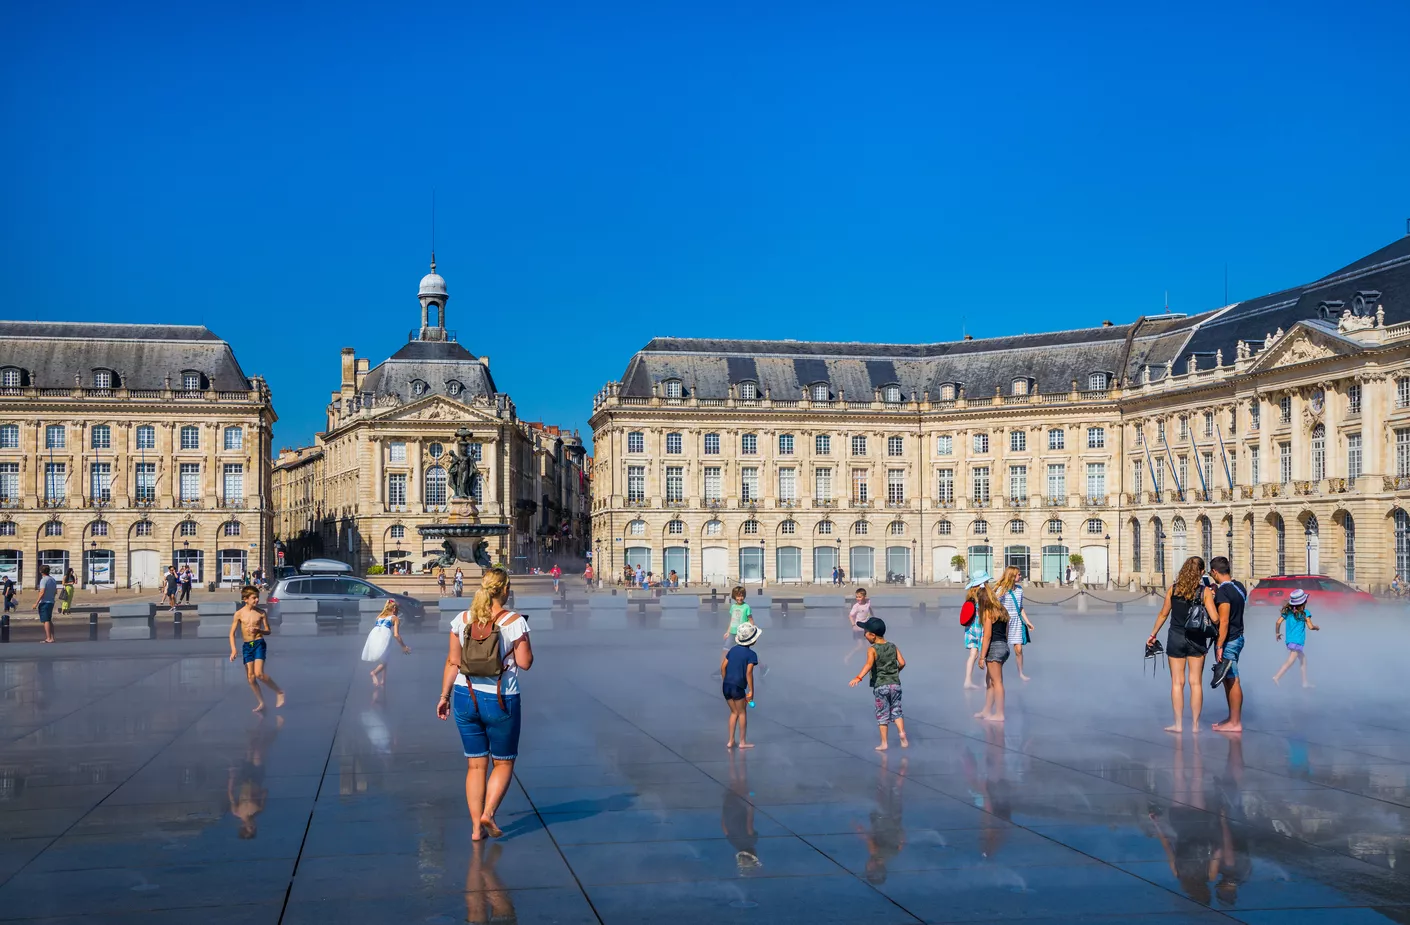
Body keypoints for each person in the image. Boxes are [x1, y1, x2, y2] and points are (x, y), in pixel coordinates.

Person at [438, 567, 533, 840]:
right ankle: (488, 813)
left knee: (475, 765)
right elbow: (525, 663)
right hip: (501, 699)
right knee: (503, 763)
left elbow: (453, 662)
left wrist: (444, 697)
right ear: (505, 590)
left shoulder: (462, 619)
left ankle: (475, 830)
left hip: (464, 697)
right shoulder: (514, 621)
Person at [1147, 556, 1210, 733]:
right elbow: (1214, 617)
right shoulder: (1204, 592)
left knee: (1177, 682)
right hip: (1197, 638)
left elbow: (1163, 614)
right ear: (1202, 573)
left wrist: (1153, 634)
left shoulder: (1173, 590)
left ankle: (1179, 724)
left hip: (1175, 637)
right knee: (1196, 682)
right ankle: (1196, 725)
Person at [849, 617, 908, 750]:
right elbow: (903, 662)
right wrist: (895, 672)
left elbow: (869, 664)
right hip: (895, 684)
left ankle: (884, 743)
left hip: (881, 686)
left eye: (865, 632)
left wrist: (858, 677)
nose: (864, 635)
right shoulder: (893, 646)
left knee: (882, 714)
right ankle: (902, 734)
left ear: (872, 635)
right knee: (897, 711)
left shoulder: (872, 649)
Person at [1204, 556, 1247, 734]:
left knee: (1232, 679)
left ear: (1214, 572)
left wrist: (1219, 645)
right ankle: (1232, 718)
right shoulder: (1239, 587)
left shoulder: (1224, 593)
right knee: (1228, 679)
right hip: (1239, 636)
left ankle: (1235, 722)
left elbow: (1223, 621)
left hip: (1228, 639)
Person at [229, 585, 285, 713]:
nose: (256, 600)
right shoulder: (239, 614)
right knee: (251, 677)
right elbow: (231, 633)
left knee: (259, 673)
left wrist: (259, 630)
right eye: (254, 598)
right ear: (245, 599)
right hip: (247, 645)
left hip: (258, 643)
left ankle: (279, 691)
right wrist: (233, 650)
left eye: (257, 598)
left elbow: (268, 631)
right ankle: (261, 702)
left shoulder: (261, 613)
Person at [974, 581, 1009, 722]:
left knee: (997, 682)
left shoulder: (988, 612)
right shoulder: (1002, 610)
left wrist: (982, 657)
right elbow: (1006, 631)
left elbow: (987, 636)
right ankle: (986, 710)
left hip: (994, 647)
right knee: (990, 681)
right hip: (1003, 646)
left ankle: (1000, 714)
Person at [721, 621, 760, 748]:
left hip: (727, 685)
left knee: (733, 712)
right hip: (738, 687)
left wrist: (725, 680)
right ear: (752, 640)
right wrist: (751, 691)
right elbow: (749, 673)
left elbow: (723, 667)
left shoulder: (732, 650)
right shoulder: (751, 655)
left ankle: (730, 740)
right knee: (742, 712)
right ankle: (742, 742)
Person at [994, 566, 1035, 681]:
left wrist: (1028, 622)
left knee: (1019, 649)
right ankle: (994, 673)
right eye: (1018, 574)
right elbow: (995, 606)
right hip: (1004, 621)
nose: (1020, 576)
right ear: (1012, 576)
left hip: (1016, 620)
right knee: (1001, 648)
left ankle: (1021, 673)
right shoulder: (1001, 590)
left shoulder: (1019, 589)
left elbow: (1020, 607)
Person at [1272, 589, 1319, 687]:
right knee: (1291, 660)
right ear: (1304, 602)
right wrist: (1316, 627)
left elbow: (1278, 622)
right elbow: (1310, 627)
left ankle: (1304, 682)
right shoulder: (1305, 613)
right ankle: (1277, 676)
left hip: (1289, 640)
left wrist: (1277, 633)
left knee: (1303, 659)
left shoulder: (1288, 612)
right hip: (1297, 641)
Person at [362, 599, 411, 687]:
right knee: (385, 659)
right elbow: (396, 635)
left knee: (385, 657)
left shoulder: (379, 617)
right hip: (384, 635)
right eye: (398, 610)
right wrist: (403, 646)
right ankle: (374, 673)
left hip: (374, 635)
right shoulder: (394, 618)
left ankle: (383, 680)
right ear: (394, 609)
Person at [960, 573, 990, 690]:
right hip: (981, 628)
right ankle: (985, 681)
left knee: (973, 654)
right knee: (986, 655)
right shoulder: (983, 595)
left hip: (971, 628)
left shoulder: (971, 595)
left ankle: (967, 680)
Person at [846, 587, 874, 663]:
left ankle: (870, 660)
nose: (858, 599)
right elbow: (850, 616)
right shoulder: (856, 606)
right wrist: (853, 625)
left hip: (866, 628)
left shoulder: (868, 602)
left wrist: (873, 615)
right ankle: (848, 657)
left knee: (869, 645)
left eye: (860, 597)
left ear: (864, 597)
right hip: (858, 628)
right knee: (860, 646)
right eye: (857, 597)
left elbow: (869, 608)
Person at [32, 564, 58, 643]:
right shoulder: (52, 579)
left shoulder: (43, 580)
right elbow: (55, 591)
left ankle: (48, 638)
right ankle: (52, 637)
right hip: (51, 601)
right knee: (49, 620)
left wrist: (36, 603)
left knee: (46, 620)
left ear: (41, 571)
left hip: (45, 602)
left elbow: (42, 592)